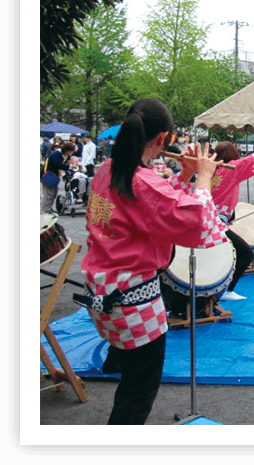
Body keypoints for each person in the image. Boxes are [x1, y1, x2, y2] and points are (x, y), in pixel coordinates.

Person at [72, 98, 228, 424]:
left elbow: (148, 205)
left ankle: (119, 358)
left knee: (132, 379)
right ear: (162, 140)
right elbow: (197, 219)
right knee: (138, 392)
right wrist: (202, 178)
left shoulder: (106, 170)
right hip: (135, 305)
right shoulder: (143, 180)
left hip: (104, 293)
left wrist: (183, 175)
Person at [210, 141, 254, 300]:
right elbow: (249, 161)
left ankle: (216, 290)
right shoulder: (231, 169)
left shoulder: (212, 171)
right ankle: (226, 290)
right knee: (245, 253)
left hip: (208, 219)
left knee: (219, 256)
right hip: (217, 222)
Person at [41, 141, 76, 213]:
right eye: (70, 151)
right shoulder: (56, 154)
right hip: (48, 176)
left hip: (53, 177)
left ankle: (48, 208)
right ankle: (44, 211)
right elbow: (59, 165)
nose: (71, 153)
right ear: (67, 150)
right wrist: (70, 166)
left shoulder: (62, 155)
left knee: (54, 193)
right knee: (49, 195)